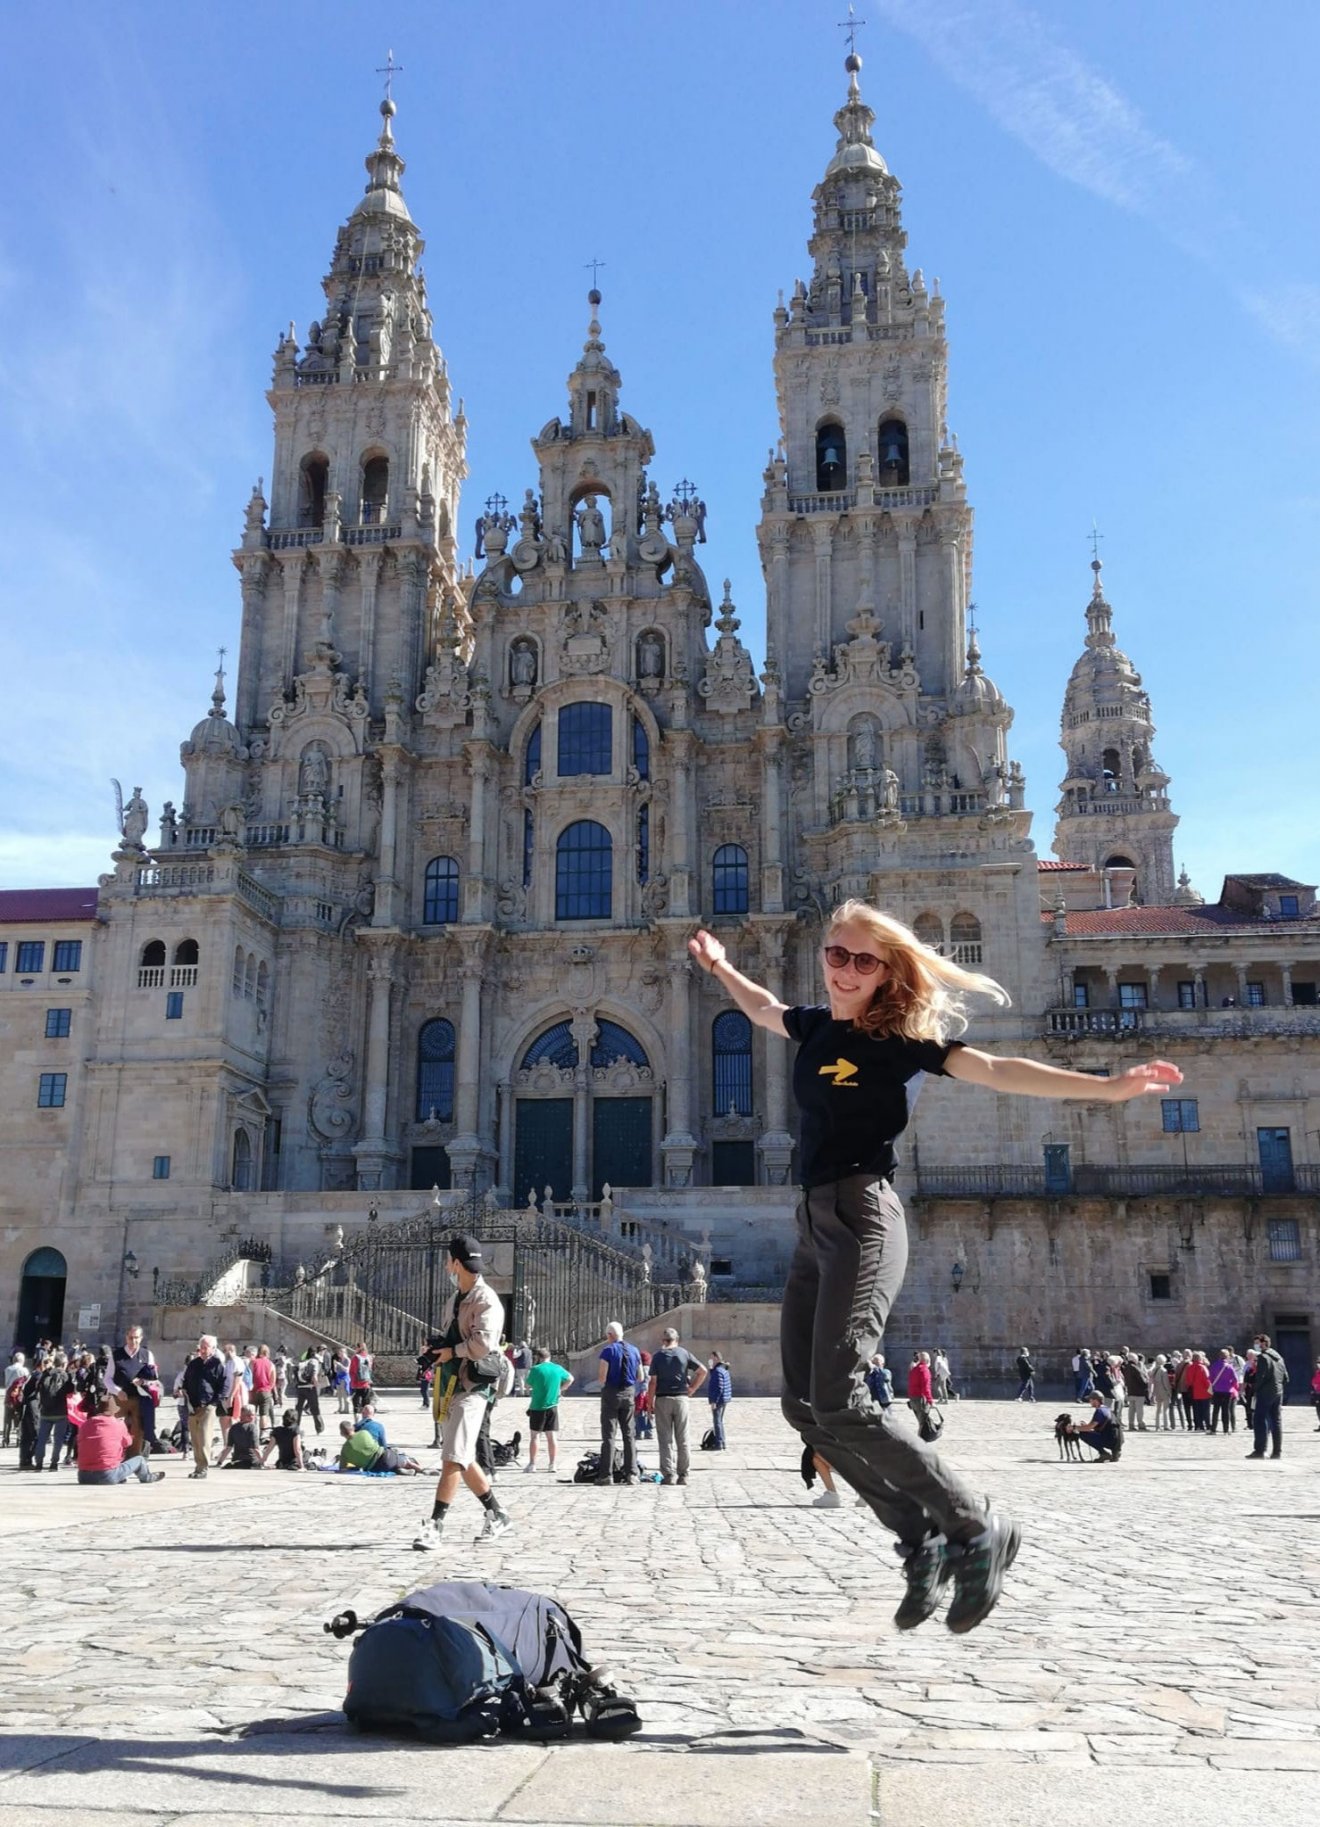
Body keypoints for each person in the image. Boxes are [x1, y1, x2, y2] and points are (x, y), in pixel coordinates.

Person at [688, 900, 1183, 1634]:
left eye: (862, 959)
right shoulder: (815, 1026)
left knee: (846, 1400)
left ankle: (976, 1524)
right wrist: (721, 965)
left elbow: (998, 1069)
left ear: (887, 971)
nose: (845, 969)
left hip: (864, 1214)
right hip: (813, 1224)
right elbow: (763, 1009)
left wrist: (1104, 1088)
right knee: (804, 1406)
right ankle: (918, 1541)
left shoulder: (900, 1040)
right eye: (835, 954)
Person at [412, 1234, 512, 1549]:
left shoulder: (486, 1300)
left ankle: (436, 1525)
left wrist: (451, 1352)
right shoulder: (457, 1297)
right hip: (452, 1382)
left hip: (475, 1386)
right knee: (464, 1456)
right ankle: (497, 1514)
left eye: (448, 1259)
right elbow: (454, 1335)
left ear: (456, 1263)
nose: (445, 1265)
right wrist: (437, 1346)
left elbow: (483, 1345)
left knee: (452, 1456)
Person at [646, 1327, 708, 1486]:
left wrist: (649, 1402)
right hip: (681, 1398)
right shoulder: (684, 1353)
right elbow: (702, 1371)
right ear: (677, 1340)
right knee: (683, 1439)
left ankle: (668, 1475)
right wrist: (692, 1388)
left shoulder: (658, 1356)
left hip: (662, 1399)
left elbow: (653, 1382)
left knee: (665, 1440)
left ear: (662, 1341)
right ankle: (683, 1474)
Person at [75, 1389, 166, 1485]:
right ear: (113, 1412)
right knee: (139, 1460)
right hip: (107, 1475)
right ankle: (147, 1477)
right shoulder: (117, 1424)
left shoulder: (84, 1425)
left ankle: (119, 1476)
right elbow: (128, 1443)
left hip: (83, 1476)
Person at [595, 1322, 641, 1485]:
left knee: (609, 1435)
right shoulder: (635, 1350)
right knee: (629, 1434)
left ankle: (606, 1475)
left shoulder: (608, 1351)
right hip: (629, 1393)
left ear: (609, 1335)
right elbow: (640, 1376)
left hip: (611, 1393)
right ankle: (632, 1473)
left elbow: (602, 1377)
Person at [181, 1334, 226, 1479]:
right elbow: (186, 1381)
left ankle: (204, 1467)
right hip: (193, 1405)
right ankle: (198, 1465)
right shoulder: (194, 1364)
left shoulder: (217, 1364)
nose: (203, 1350)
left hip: (208, 1404)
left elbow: (223, 1385)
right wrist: (185, 1392)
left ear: (213, 1349)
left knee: (204, 1435)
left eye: (206, 1347)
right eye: (202, 1347)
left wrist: (214, 1402)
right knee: (195, 1437)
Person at [524, 1347, 573, 1473]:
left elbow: (527, 1385)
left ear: (538, 1358)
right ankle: (552, 1464)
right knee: (552, 1437)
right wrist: (560, 1389)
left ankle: (532, 1464)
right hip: (552, 1406)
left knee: (535, 1436)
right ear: (549, 1356)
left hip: (537, 1406)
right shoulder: (557, 1368)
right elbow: (570, 1378)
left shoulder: (535, 1369)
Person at [1246, 1332, 1288, 1459]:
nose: (1256, 1346)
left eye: (1258, 1343)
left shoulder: (1263, 1358)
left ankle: (1260, 1450)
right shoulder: (1279, 1357)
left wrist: (1254, 1390)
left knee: (1259, 1419)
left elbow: (1261, 1377)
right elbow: (1286, 1377)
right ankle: (1277, 1452)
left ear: (1264, 1343)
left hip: (1265, 1393)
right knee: (1276, 1421)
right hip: (1278, 1392)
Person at [33, 1349, 75, 1471]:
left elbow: (39, 1388)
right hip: (61, 1411)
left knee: (42, 1438)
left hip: (45, 1411)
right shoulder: (65, 1375)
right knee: (58, 1439)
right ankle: (53, 1463)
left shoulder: (46, 1374)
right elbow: (70, 1390)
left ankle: (39, 1463)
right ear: (64, 1364)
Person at [1071, 1391, 1122, 1461]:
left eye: (1090, 1400)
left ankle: (1103, 1453)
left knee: (1083, 1434)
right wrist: (1085, 1426)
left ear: (1096, 1400)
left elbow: (1089, 1428)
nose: (1089, 1401)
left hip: (1109, 1440)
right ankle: (1115, 1453)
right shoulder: (1107, 1409)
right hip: (1118, 1440)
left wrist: (1074, 1427)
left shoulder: (1099, 1411)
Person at [295, 1347, 325, 1435]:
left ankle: (295, 1426)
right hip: (310, 1387)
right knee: (314, 1408)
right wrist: (316, 1385)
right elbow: (314, 1376)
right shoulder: (314, 1362)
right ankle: (319, 1428)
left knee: (298, 1408)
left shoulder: (303, 1362)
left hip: (300, 1387)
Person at [249, 1344, 277, 1438]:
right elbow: (273, 1380)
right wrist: (269, 1388)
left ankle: (251, 1432)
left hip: (253, 1391)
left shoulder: (253, 1362)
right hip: (265, 1391)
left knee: (252, 1412)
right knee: (263, 1414)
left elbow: (249, 1376)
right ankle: (262, 1434)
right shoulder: (271, 1364)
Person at [1209, 1348, 1240, 1434]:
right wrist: (1233, 1388)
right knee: (1225, 1410)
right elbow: (1235, 1380)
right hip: (1227, 1391)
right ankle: (1225, 1430)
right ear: (1227, 1357)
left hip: (1217, 1390)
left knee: (1216, 1410)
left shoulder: (1214, 1365)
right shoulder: (1229, 1367)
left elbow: (1210, 1378)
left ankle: (1213, 1429)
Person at [706, 1351, 732, 1448]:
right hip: (724, 1398)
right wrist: (711, 1369)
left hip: (719, 1399)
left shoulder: (718, 1371)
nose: (711, 1360)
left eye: (712, 1358)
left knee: (717, 1421)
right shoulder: (722, 1369)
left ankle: (719, 1442)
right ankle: (722, 1441)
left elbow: (719, 1387)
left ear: (716, 1358)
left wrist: (714, 1401)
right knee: (719, 1421)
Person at [3, 1351, 26, 1449]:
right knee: (19, 1419)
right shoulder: (24, 1370)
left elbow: (6, 1383)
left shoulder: (7, 1369)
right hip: (19, 1397)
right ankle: (18, 1439)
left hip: (8, 1396)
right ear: (22, 1360)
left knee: (7, 1420)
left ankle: (5, 1439)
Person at [349, 1341, 374, 1415]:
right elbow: (370, 1370)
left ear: (358, 1348)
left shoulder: (355, 1358)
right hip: (366, 1383)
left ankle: (357, 1420)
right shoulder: (369, 1357)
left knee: (356, 1404)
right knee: (366, 1404)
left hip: (356, 1383)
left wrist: (352, 1382)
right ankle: (366, 1418)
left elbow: (352, 1371)